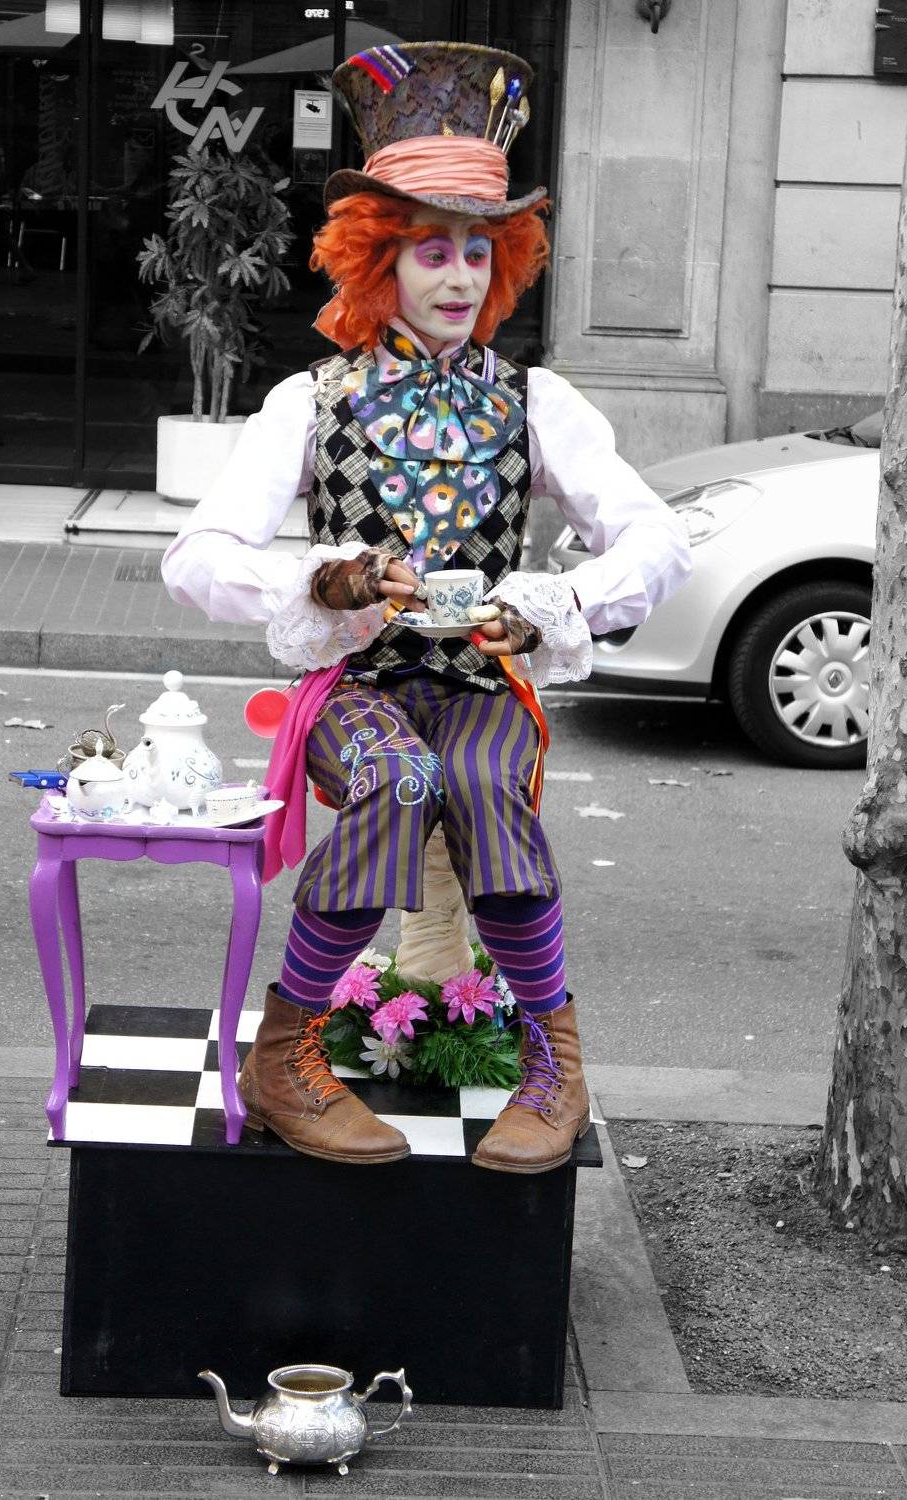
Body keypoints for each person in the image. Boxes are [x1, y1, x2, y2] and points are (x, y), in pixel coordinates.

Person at [162, 41, 691, 1173]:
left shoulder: (535, 401)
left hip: (481, 685)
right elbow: (195, 557)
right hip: (357, 687)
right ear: (379, 260)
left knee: (484, 780)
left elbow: (657, 538)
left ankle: (556, 1068)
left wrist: (555, 604)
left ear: (503, 264)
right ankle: (284, 1058)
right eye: (430, 250)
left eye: (476, 252)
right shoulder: (310, 401)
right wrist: (327, 580)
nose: (457, 276)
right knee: (401, 778)